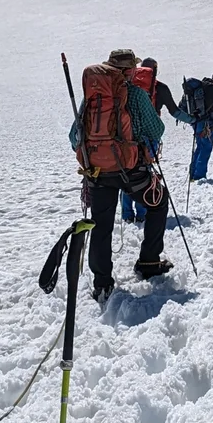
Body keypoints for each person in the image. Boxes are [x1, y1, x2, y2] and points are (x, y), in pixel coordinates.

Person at [79, 48, 173, 297]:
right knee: (158, 202)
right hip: (131, 168)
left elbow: (74, 135)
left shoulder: (91, 97)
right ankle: (149, 262)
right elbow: (157, 129)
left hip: (97, 170)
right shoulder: (136, 94)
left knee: (101, 225)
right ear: (130, 70)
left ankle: (102, 282)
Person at [120, 58, 180, 224]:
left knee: (124, 172)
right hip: (149, 138)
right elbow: (172, 112)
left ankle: (126, 214)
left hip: (125, 137)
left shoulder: (126, 87)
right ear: (155, 70)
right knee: (143, 172)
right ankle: (142, 212)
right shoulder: (159, 88)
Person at [185, 70, 213, 181]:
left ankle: (193, 174)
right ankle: (199, 176)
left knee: (200, 147)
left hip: (196, 121)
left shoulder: (202, 85)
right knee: (205, 148)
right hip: (206, 123)